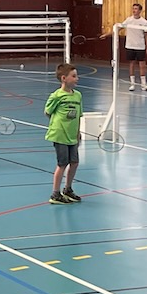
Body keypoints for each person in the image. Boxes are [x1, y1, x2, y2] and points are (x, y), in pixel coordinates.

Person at [45, 62, 83, 205]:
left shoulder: (78, 96)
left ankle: (68, 189)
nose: (77, 78)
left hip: (72, 136)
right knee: (62, 164)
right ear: (64, 78)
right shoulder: (57, 96)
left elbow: (79, 115)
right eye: (73, 76)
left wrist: (78, 132)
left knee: (74, 162)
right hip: (60, 135)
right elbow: (47, 112)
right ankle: (55, 193)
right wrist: (59, 124)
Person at [118, 2, 147, 91]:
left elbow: (146, 35)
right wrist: (107, 34)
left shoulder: (144, 22)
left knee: (142, 65)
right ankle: (132, 84)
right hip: (130, 46)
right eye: (133, 9)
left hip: (140, 46)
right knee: (131, 64)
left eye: (136, 9)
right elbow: (119, 28)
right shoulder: (128, 20)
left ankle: (143, 84)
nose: (134, 10)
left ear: (140, 11)